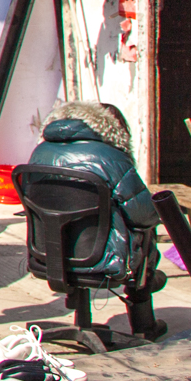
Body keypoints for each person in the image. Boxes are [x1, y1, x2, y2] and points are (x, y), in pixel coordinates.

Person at [26, 100, 161, 289]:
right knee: (146, 229)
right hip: (104, 259)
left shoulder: (38, 153)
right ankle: (141, 295)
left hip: (47, 254)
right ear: (108, 126)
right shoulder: (110, 157)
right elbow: (145, 215)